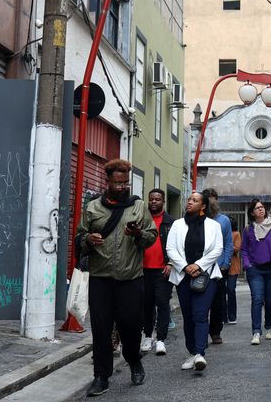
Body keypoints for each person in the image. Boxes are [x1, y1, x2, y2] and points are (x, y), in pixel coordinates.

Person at [76, 159, 157, 397]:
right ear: (108, 181)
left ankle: (133, 360)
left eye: (125, 183)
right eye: (118, 183)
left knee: (131, 326)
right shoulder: (92, 208)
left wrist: (139, 233)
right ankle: (101, 376)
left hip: (131, 278)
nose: (122, 187)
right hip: (101, 279)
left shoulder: (138, 207)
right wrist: (88, 240)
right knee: (100, 329)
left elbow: (151, 237)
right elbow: (80, 237)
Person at [166, 190, 224, 372]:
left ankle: (200, 353)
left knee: (200, 314)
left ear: (203, 206)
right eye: (189, 199)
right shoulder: (177, 225)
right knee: (188, 316)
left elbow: (218, 249)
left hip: (206, 276)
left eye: (195, 200)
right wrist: (185, 266)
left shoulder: (213, 226)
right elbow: (170, 249)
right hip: (183, 276)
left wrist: (197, 265)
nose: (190, 202)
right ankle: (191, 352)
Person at [241, 197, 271, 345]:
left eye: (262, 207)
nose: (260, 209)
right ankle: (256, 332)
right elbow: (244, 250)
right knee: (257, 299)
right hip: (255, 270)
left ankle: (269, 327)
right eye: (257, 208)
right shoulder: (248, 229)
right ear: (252, 212)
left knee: (270, 300)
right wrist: (247, 266)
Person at [141, 189, 175, 356]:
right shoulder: (142, 220)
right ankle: (147, 336)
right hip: (143, 270)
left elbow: (176, 246)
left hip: (163, 270)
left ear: (163, 201)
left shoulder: (170, 223)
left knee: (162, 303)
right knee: (146, 305)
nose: (154, 202)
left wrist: (171, 263)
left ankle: (161, 339)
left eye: (158, 199)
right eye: (151, 199)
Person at [204, 188, 233, 345]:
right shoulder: (199, 218)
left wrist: (225, 263)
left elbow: (228, 243)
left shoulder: (224, 220)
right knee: (202, 301)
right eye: (206, 198)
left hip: (219, 266)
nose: (209, 201)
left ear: (216, 199)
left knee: (218, 301)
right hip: (202, 267)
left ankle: (216, 332)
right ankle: (201, 330)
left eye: (211, 198)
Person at [225, 217, 242, 324]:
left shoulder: (236, 234)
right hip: (222, 265)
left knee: (231, 290)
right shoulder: (222, 232)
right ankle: (222, 316)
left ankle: (232, 316)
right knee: (221, 291)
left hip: (233, 265)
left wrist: (226, 246)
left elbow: (237, 248)